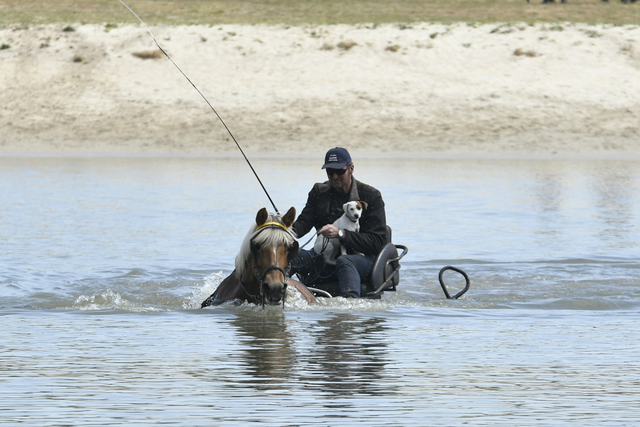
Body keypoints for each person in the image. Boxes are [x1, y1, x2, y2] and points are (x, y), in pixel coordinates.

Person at [290, 147, 388, 298]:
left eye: (339, 172)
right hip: (322, 257)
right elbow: (303, 224)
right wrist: (282, 230)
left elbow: (377, 241)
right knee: (290, 254)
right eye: (330, 172)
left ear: (351, 169)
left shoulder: (371, 196)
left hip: (361, 260)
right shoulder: (318, 191)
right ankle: (267, 297)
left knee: (344, 260)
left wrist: (341, 234)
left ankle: (350, 309)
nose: (334, 176)